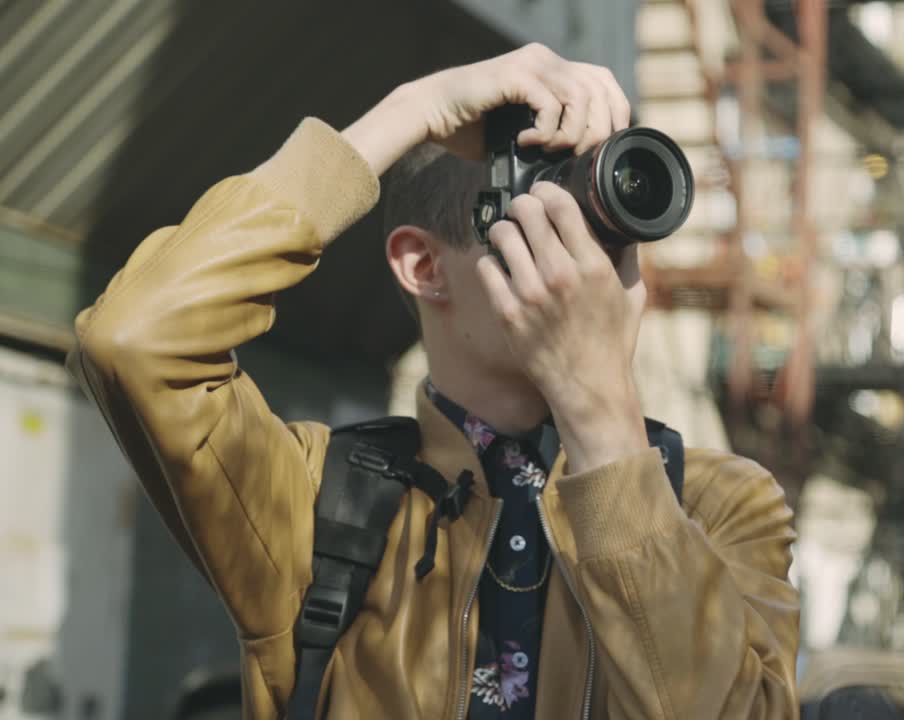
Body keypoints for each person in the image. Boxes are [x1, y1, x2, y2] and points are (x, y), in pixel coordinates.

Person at [67, 43, 800, 719]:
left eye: (595, 221)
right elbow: (138, 337)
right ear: (424, 265)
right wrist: (414, 109)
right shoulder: (321, 499)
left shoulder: (715, 504)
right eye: (541, 214)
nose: (583, 253)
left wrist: (602, 418)